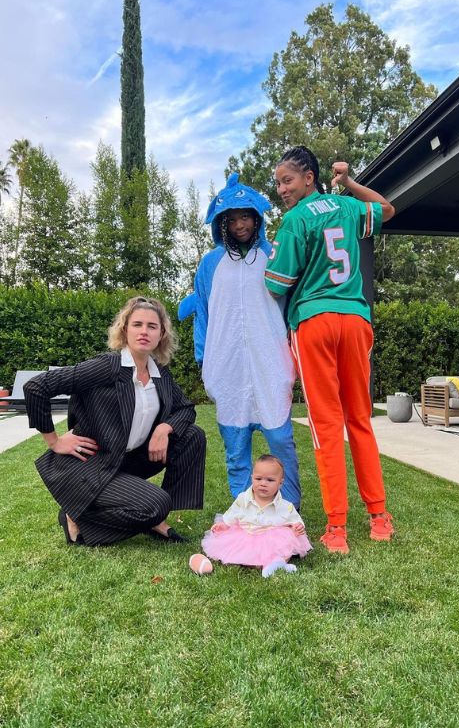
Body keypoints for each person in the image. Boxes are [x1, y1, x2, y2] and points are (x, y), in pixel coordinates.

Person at [265, 146, 396, 554]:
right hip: (356, 320)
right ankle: (379, 518)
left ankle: (336, 528)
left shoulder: (294, 220)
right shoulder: (347, 206)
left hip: (314, 323)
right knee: (360, 418)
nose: (282, 189)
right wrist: (351, 183)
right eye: (278, 184)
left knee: (326, 425)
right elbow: (387, 210)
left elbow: (275, 284)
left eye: (287, 180)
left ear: (309, 177)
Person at [23, 296, 206, 547]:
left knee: (192, 435)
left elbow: (186, 408)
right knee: (155, 505)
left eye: (152, 326)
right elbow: (36, 387)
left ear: (161, 334)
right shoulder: (106, 367)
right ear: (124, 329)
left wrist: (164, 428)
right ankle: (76, 515)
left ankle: (157, 519)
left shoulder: (160, 374)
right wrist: (54, 441)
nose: (144, 331)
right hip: (91, 464)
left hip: (127, 460)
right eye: (137, 324)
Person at [178, 173, 301, 509]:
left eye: (245, 216)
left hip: (270, 360)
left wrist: (295, 353)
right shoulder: (210, 264)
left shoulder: (274, 254)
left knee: (280, 440)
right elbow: (202, 311)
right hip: (227, 363)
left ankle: (288, 509)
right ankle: (246, 509)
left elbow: (291, 304)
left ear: (256, 218)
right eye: (231, 219)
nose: (239, 225)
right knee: (235, 445)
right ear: (222, 223)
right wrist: (203, 357)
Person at [200, 454, 312, 577]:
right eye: (258, 479)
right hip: (247, 534)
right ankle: (255, 562)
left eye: (270, 480)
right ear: (252, 478)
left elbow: (296, 520)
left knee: (286, 544)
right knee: (241, 552)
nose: (263, 483)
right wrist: (224, 525)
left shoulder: (285, 506)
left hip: (273, 538)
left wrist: (297, 526)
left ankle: (276, 564)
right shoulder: (243, 499)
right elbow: (232, 514)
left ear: (280, 483)